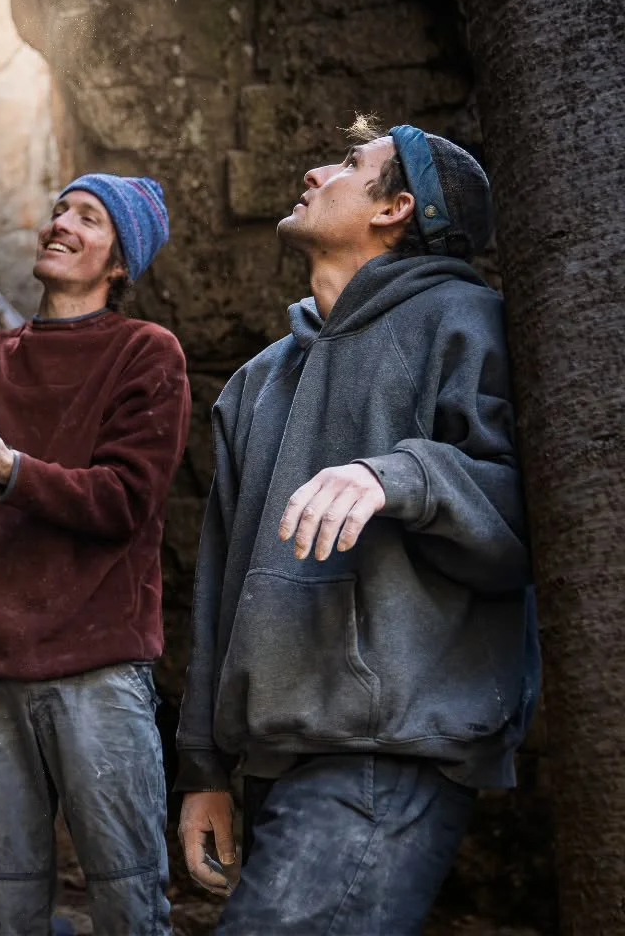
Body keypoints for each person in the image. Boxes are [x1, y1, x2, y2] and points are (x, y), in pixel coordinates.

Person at [175, 116, 540, 934]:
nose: (314, 173)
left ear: (396, 207)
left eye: (347, 163)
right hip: (275, 756)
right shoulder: (255, 383)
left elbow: (529, 528)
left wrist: (397, 475)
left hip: (392, 752)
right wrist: (205, 768)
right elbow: (217, 587)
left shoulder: (469, 322)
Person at [0, 172, 190, 936]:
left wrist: (8, 469)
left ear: (120, 261)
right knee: (9, 909)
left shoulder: (146, 355)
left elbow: (125, 500)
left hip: (99, 668)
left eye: (88, 218)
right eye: (60, 210)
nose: (61, 224)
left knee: (129, 903)